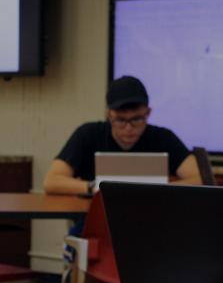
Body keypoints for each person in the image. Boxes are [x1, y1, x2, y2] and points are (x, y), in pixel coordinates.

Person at [43, 75, 201, 195]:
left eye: (137, 119)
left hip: (151, 219)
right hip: (95, 218)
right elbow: (51, 181)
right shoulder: (88, 134)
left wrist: (157, 190)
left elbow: (199, 179)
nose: (128, 128)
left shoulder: (163, 138)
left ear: (148, 113)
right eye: (120, 120)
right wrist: (95, 187)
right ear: (108, 115)